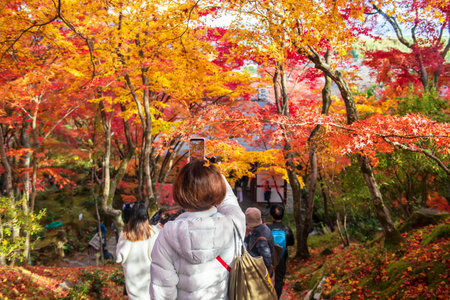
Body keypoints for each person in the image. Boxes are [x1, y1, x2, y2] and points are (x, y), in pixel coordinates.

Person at [150, 160, 246, 299]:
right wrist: (214, 175)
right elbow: (230, 202)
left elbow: (162, 291)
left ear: (180, 191)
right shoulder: (232, 224)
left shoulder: (168, 234)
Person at [116, 202, 160, 300]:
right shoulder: (153, 232)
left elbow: (119, 258)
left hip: (132, 283)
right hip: (149, 281)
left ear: (132, 216)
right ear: (146, 217)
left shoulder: (125, 234)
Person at [267, 204, 295, 299]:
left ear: (271, 215)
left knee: (267, 277)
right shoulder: (287, 229)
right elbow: (292, 242)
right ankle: (276, 297)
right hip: (282, 256)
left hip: (268, 256)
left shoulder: (267, 229)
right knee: (279, 279)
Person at [244, 207, 274, 276]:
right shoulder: (264, 227)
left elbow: (267, 261)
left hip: (259, 274)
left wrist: (248, 254)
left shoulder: (261, 239)